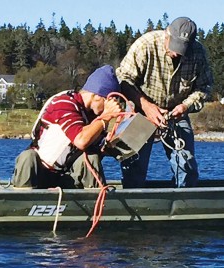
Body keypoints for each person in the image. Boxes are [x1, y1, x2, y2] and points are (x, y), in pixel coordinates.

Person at [116, 17, 213, 188]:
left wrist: (185, 106)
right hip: (140, 109)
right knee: (133, 167)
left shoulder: (198, 53)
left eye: (182, 49)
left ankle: (182, 207)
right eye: (174, 46)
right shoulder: (145, 45)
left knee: (187, 167)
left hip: (176, 113)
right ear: (166, 34)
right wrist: (146, 106)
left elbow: (204, 88)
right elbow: (123, 79)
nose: (176, 53)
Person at [12, 65, 123, 189]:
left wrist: (113, 143)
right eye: (108, 101)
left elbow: (96, 147)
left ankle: (98, 202)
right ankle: (22, 202)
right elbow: (81, 140)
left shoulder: (92, 117)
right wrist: (106, 116)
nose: (108, 107)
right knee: (27, 157)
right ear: (97, 96)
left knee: (91, 159)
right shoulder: (64, 103)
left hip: (65, 176)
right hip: (39, 172)